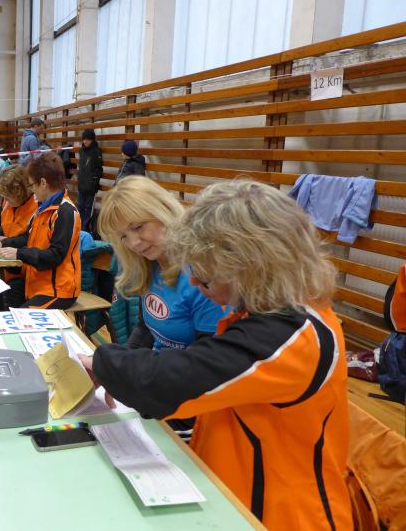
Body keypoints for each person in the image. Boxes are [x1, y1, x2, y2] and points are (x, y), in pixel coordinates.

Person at [82, 180, 351, 531]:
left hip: (279, 516)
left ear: (249, 267)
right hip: (234, 493)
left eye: (206, 277)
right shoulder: (264, 314)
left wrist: (103, 363)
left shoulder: (293, 337)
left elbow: (178, 379)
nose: (195, 284)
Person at [96, 177, 230, 440]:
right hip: (158, 387)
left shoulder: (203, 276)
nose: (134, 243)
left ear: (162, 210)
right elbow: (146, 329)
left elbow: (206, 367)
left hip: (192, 406)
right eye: (124, 236)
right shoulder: (150, 264)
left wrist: (132, 377)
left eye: (138, 227)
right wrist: (119, 373)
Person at [0, 152, 81, 309]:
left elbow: (55, 255)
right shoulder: (43, 207)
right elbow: (26, 238)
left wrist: (18, 253)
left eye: (32, 185)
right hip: (36, 284)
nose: (31, 190)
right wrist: (2, 243)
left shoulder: (65, 211)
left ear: (43, 183)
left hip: (58, 290)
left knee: (19, 318)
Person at [76, 128, 103, 229]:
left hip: (91, 187)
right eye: (84, 139)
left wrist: (94, 182)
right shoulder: (81, 151)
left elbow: (98, 169)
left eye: (88, 139)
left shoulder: (96, 151)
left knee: (88, 209)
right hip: (82, 185)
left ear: (92, 139)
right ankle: (78, 227)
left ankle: (85, 229)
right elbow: (81, 168)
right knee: (80, 207)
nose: (85, 141)